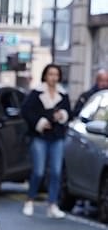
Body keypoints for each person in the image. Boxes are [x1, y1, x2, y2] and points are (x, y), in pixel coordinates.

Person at [20, 63, 71, 219]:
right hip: (40, 137)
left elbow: (70, 111)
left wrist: (62, 115)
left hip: (57, 136)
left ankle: (52, 204)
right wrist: (40, 122)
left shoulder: (63, 94)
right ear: (45, 75)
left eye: (56, 74)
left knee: (56, 172)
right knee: (39, 171)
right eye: (50, 74)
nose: (53, 77)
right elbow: (26, 111)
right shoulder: (36, 93)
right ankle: (29, 200)